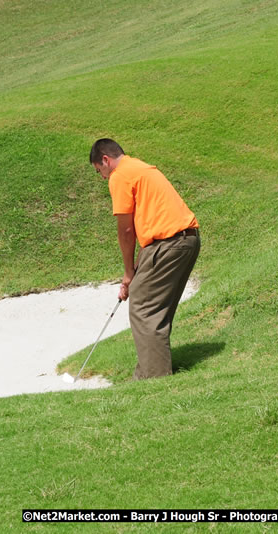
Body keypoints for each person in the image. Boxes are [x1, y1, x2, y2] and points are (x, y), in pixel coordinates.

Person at [89, 139, 200, 379]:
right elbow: (148, 233)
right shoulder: (138, 167)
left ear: (106, 160)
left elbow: (126, 230)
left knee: (143, 306)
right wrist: (134, 273)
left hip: (169, 243)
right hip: (186, 241)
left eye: (99, 171)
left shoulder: (120, 175)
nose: (103, 178)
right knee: (152, 305)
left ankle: (154, 378)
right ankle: (149, 371)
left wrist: (128, 272)